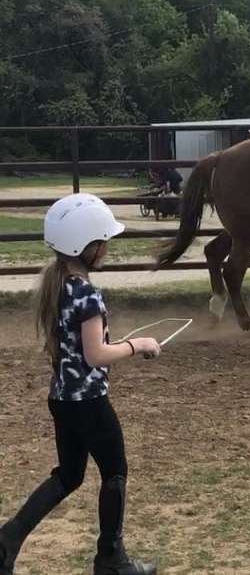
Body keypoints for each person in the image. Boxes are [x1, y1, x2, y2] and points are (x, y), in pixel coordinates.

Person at [0, 193, 161, 575]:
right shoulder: (86, 293)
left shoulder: (58, 286)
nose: (107, 247)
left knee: (69, 475)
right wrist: (138, 345)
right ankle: (111, 559)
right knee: (115, 471)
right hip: (89, 402)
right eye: (103, 241)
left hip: (63, 399)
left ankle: (6, 543)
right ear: (88, 246)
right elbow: (96, 356)